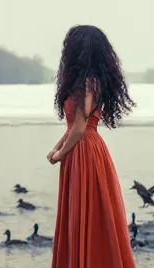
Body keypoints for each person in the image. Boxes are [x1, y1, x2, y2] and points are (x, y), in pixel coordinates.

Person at [48, 25, 136, 268]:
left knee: (89, 212)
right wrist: (58, 147)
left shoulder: (89, 83)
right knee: (80, 212)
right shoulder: (82, 83)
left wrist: (59, 154)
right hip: (79, 147)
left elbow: (80, 125)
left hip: (85, 149)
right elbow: (72, 126)